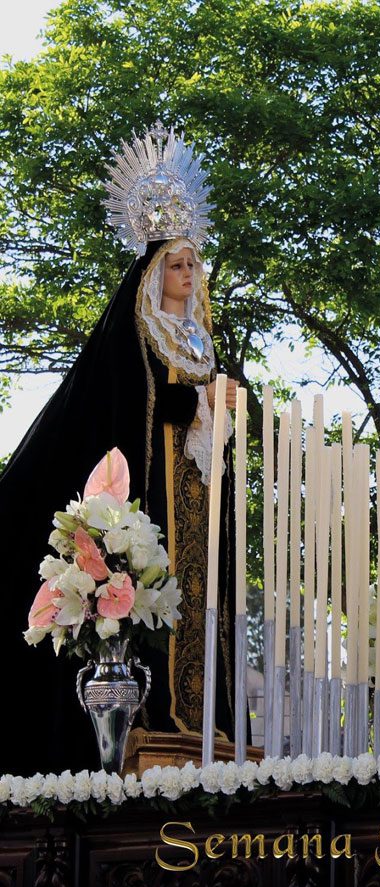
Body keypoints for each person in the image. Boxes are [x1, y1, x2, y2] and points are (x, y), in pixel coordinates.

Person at [0, 124, 237, 775]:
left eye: (195, 264)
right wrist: (200, 404)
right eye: (178, 264)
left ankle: (203, 720)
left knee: (198, 604)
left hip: (195, 500)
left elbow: (204, 424)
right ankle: (143, 720)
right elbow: (131, 405)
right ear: (156, 271)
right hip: (152, 497)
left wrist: (222, 411)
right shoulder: (140, 329)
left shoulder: (199, 343)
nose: (190, 275)